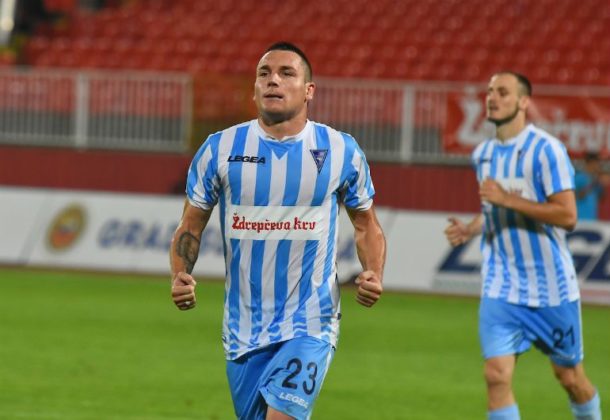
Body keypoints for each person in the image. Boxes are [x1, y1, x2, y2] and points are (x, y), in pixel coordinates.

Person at [170, 41, 386, 420]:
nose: (273, 80)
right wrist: (180, 273)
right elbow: (191, 224)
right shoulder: (219, 149)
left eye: (287, 73)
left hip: (312, 321)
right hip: (243, 328)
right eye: (264, 74)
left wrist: (373, 272)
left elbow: (366, 223)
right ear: (254, 89)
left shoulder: (340, 150)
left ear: (309, 90)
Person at [444, 72, 602, 420]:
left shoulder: (547, 150)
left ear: (523, 102)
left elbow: (568, 216)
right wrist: (470, 229)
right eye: (489, 92)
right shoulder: (483, 154)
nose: (492, 98)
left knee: (570, 379)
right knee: (495, 376)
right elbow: (493, 210)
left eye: (503, 92)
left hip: (551, 289)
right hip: (502, 286)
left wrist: (508, 199)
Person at [574, 152, 609, 221]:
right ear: (589, 163)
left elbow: (601, 197)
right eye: (596, 163)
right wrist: (593, 184)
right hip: (580, 217)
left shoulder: (595, 179)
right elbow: (576, 196)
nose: (597, 166)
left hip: (593, 218)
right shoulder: (579, 177)